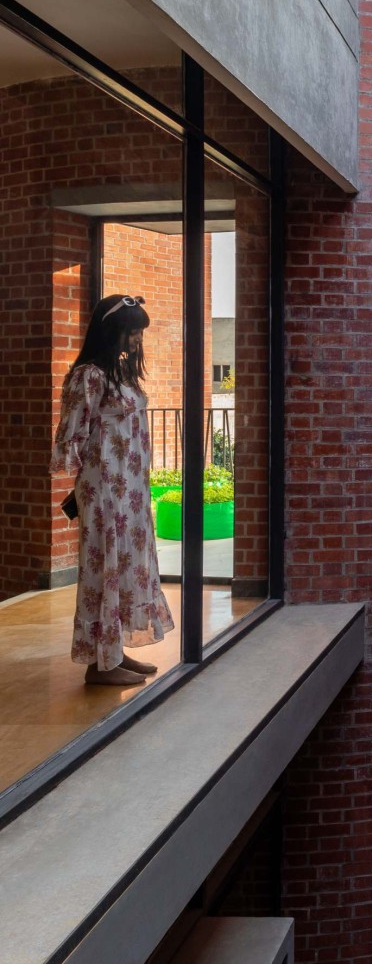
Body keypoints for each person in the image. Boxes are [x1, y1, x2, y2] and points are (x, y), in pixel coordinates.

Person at [50, 293, 174, 687]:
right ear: (111, 332)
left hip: (130, 491)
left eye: (139, 332)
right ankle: (99, 665)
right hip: (105, 490)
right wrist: (85, 481)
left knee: (125, 567)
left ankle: (114, 652)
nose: (137, 339)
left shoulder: (119, 374)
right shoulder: (89, 376)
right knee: (104, 568)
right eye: (131, 331)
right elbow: (71, 435)